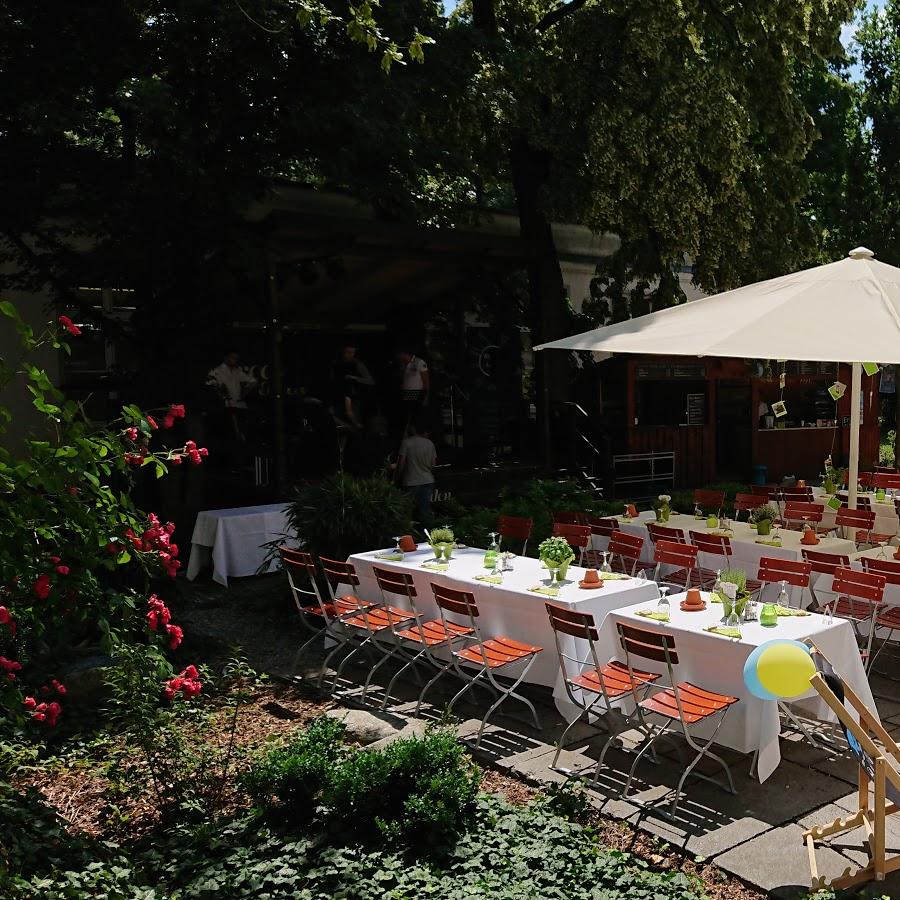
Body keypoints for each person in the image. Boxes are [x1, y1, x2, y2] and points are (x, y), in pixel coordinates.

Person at [396, 418, 437, 529]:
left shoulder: (406, 443)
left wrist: (398, 477)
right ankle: (428, 533)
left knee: (407, 509)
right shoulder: (430, 444)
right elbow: (433, 464)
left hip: (410, 481)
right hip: (428, 480)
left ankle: (407, 533)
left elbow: (401, 464)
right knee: (425, 508)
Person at [330, 343, 374, 430]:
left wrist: (353, 378)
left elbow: (370, 381)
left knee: (352, 419)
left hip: (353, 396)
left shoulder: (357, 364)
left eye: (352, 352)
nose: (350, 354)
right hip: (341, 394)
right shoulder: (336, 363)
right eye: (347, 352)